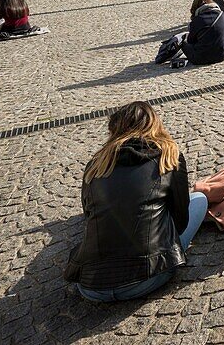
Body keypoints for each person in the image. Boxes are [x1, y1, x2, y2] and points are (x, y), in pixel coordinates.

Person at [65, 101, 205, 301]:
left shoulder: (96, 165)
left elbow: (88, 214)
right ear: (155, 124)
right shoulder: (169, 156)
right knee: (200, 199)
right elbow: (180, 221)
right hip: (148, 277)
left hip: (90, 286)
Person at [181, 0, 224, 65]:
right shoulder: (223, 15)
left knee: (183, 43)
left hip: (200, 59)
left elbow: (191, 41)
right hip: (222, 55)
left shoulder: (196, 20)